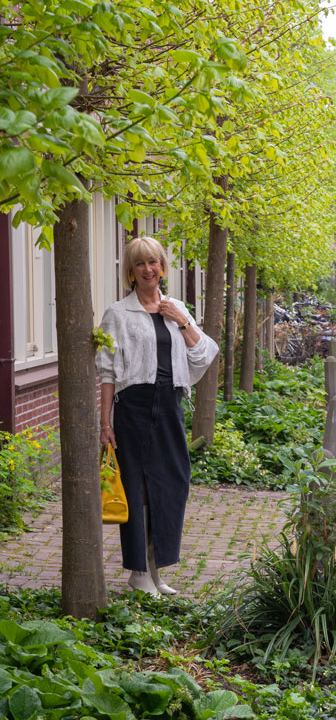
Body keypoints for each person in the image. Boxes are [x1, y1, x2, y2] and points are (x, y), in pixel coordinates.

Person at [96, 236, 218, 595]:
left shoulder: (176, 307)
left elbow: (203, 356)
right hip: (133, 407)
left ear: (162, 266)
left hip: (169, 404)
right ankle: (138, 572)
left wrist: (182, 321)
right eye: (139, 264)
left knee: (172, 482)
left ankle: (154, 567)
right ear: (130, 272)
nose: (148, 269)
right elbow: (107, 372)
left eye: (153, 262)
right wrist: (105, 424)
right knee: (136, 487)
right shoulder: (118, 314)